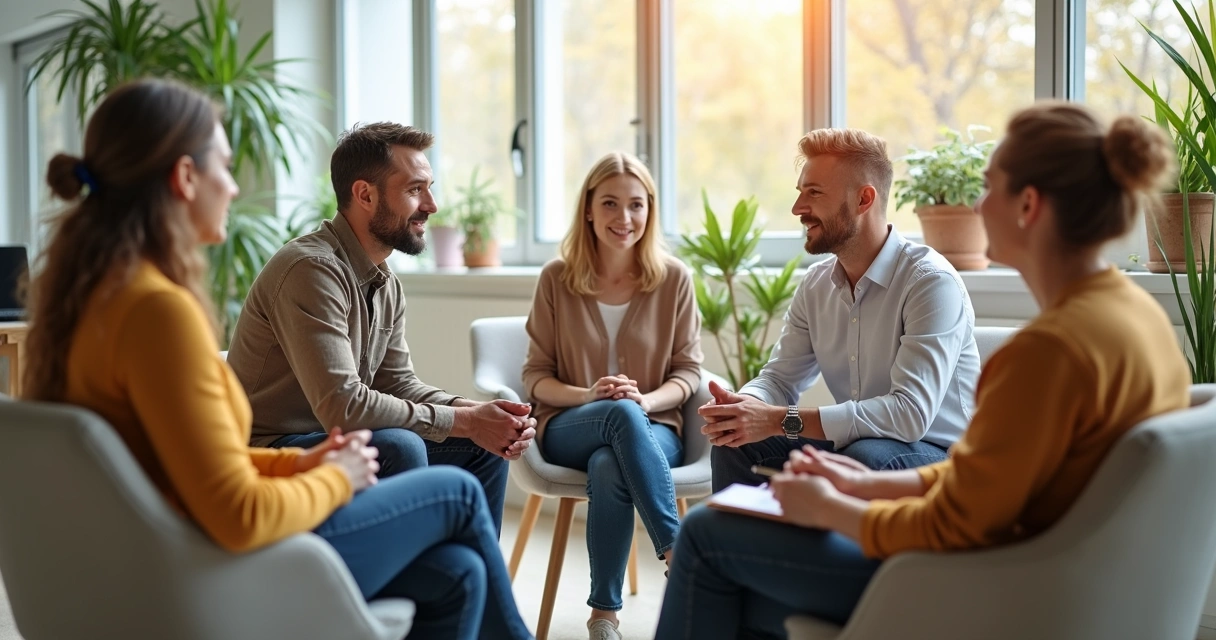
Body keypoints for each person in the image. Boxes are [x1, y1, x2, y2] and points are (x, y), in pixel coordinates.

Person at [654, 102, 1193, 639]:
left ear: (1028, 204)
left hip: (983, 587)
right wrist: (859, 485)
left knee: (705, 536)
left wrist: (834, 508)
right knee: (744, 574)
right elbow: (988, 483)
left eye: (989, 187)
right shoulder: (1133, 317)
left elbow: (953, 519)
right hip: (1049, 577)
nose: (977, 205)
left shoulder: (1046, 352)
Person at [22, 79, 533, 640]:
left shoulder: (101, 296)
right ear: (186, 179)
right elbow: (238, 508)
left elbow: (200, 463)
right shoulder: (162, 311)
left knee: (459, 569)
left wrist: (462, 415)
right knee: (438, 483)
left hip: (166, 549)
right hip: (200, 574)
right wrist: (336, 477)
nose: (235, 187)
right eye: (224, 165)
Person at [225, 122, 535, 535]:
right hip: (272, 451)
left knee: (484, 447)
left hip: (332, 439)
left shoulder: (383, 280)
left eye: (429, 188)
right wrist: (465, 422)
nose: (432, 204)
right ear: (365, 195)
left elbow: (398, 384)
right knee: (397, 446)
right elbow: (344, 407)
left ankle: (457, 587)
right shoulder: (311, 270)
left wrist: (478, 415)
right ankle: (410, 579)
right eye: (415, 190)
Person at [704, 128, 980, 490]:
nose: (798, 209)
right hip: (860, 446)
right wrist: (744, 408)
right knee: (736, 446)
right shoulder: (817, 285)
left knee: (863, 457)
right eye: (800, 192)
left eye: (814, 193)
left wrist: (775, 419)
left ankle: (810, 547)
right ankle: (748, 548)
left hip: (940, 456)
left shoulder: (930, 282)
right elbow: (779, 379)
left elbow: (909, 416)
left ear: (865, 199)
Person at [523, 152, 703, 640]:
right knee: (615, 418)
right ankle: (679, 551)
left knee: (609, 463)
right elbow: (536, 377)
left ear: (650, 210)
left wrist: (645, 401)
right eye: (609, 204)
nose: (624, 219)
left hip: (655, 427)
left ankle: (604, 616)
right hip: (567, 424)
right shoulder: (556, 279)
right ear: (588, 209)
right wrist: (588, 394)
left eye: (636, 205)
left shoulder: (674, 280)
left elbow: (688, 372)